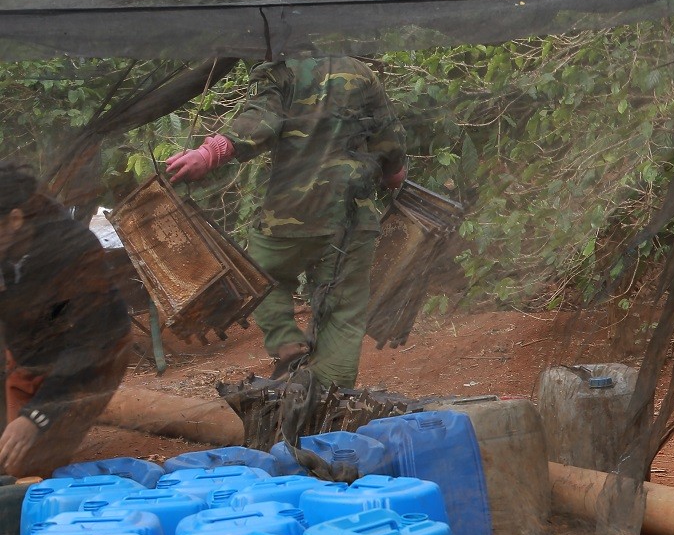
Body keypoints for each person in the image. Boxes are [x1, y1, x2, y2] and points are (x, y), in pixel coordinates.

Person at [166, 56, 407, 389]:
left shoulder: (276, 69)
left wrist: (209, 153)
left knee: (262, 275)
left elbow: (261, 121)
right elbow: (388, 138)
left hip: (290, 216)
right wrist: (394, 171)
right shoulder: (361, 73)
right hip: (352, 219)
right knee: (343, 312)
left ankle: (286, 343)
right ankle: (326, 402)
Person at [0, 163, 133, 478]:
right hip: (24, 352)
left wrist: (36, 417)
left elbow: (87, 348)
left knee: (21, 471)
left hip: (93, 359)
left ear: (15, 220)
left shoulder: (75, 253)